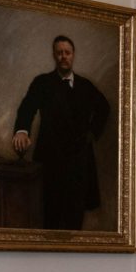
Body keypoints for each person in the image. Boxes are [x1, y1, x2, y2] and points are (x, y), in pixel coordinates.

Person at [11, 34, 110, 230]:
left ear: (73, 55)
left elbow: (104, 108)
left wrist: (92, 133)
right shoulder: (42, 83)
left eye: (67, 52)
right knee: (51, 217)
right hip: (51, 159)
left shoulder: (85, 86)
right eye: (59, 53)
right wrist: (22, 130)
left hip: (79, 162)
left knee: (75, 218)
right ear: (54, 56)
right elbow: (27, 108)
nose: (63, 56)